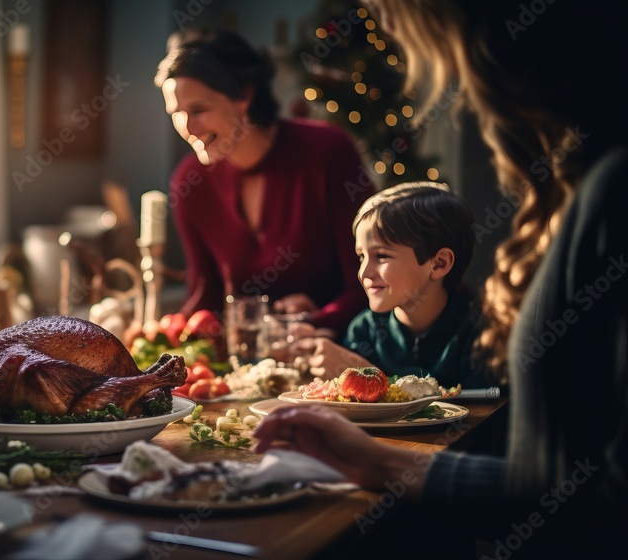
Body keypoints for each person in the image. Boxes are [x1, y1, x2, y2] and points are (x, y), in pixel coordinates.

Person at [255, 0, 626, 555]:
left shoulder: (613, 195)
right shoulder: (589, 188)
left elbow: (593, 505)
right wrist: (373, 459)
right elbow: (555, 482)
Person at [154, 29, 373, 337]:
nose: (187, 127)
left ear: (244, 94)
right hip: (250, 366)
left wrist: (314, 321)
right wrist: (168, 332)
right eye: (176, 113)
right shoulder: (189, 183)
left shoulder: (327, 152)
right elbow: (206, 297)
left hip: (337, 351)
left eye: (199, 110)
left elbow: (369, 284)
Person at [291, 182, 494, 389]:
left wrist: (367, 373)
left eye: (381, 256)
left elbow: (480, 410)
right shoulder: (363, 331)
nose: (364, 273)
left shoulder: (481, 334)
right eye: (362, 257)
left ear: (439, 263)